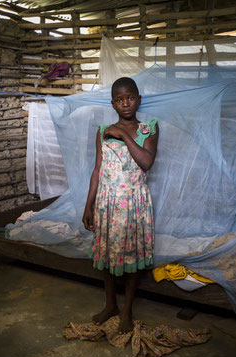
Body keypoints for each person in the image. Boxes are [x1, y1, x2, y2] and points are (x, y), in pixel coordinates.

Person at [82, 77, 159, 333]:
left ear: (138, 98)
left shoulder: (149, 128)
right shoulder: (103, 129)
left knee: (131, 255)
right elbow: (97, 169)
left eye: (130, 97)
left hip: (133, 203)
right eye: (119, 99)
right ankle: (110, 305)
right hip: (107, 202)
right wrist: (89, 204)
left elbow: (146, 162)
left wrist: (125, 133)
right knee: (107, 254)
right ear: (113, 103)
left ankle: (127, 310)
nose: (125, 103)